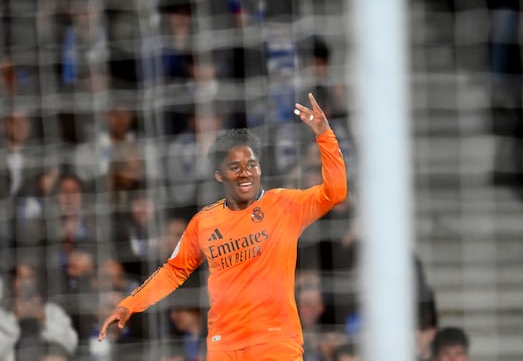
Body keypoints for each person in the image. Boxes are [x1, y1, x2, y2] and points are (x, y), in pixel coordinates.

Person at [98, 93, 347, 360]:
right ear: (219, 175)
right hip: (223, 346)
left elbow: (335, 193)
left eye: (252, 164)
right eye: (235, 166)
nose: (245, 172)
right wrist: (129, 305)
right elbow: (173, 271)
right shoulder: (204, 222)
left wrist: (324, 135)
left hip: (276, 341)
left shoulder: (284, 204)